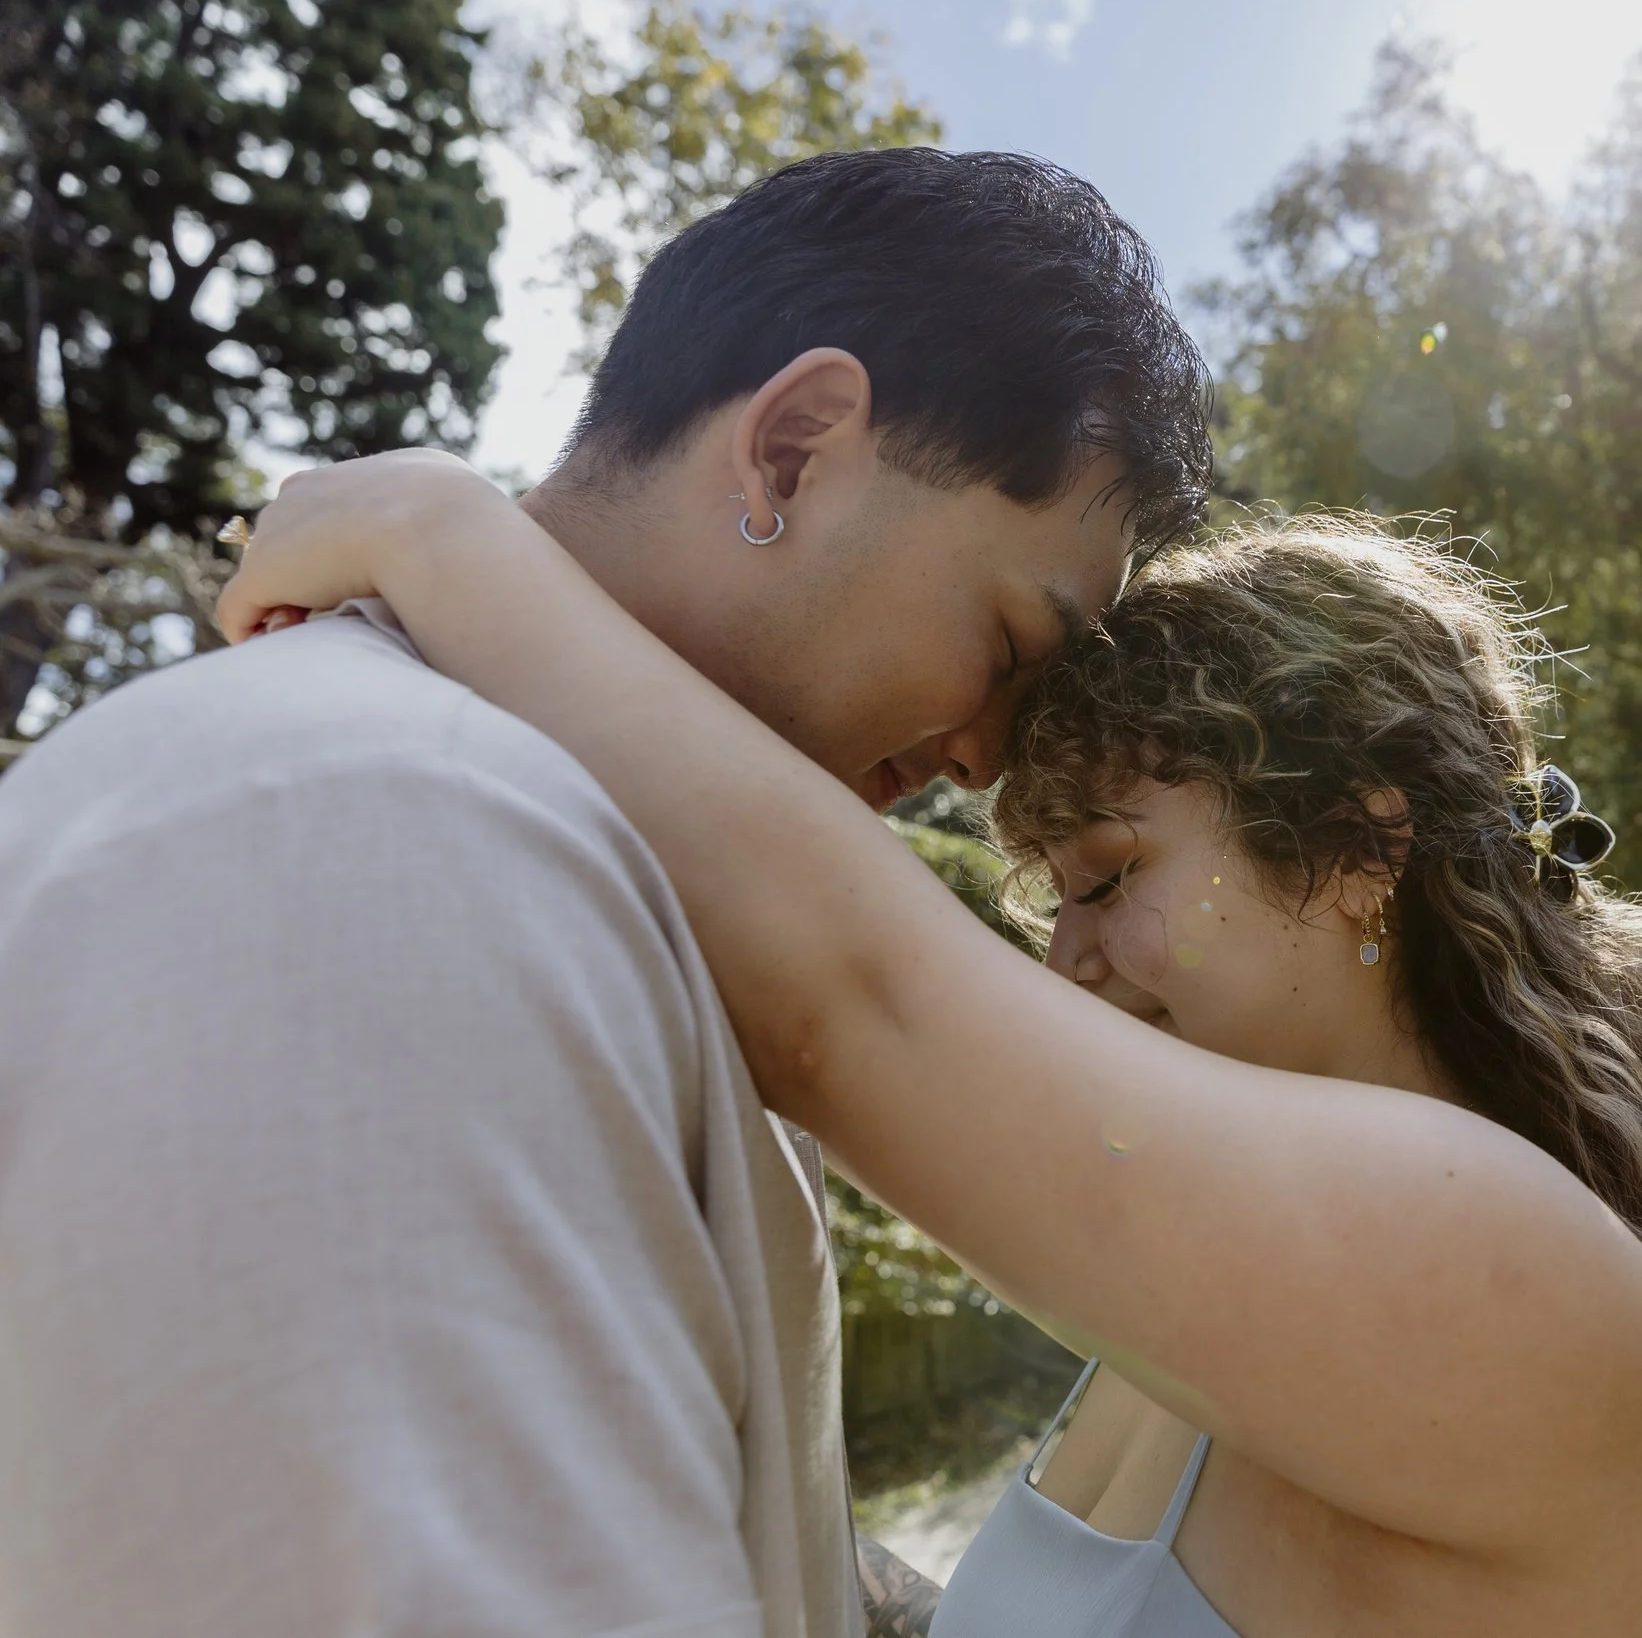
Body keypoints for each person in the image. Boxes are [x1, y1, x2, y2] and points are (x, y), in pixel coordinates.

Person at [218, 461, 1642, 1637]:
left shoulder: (1514, 1267)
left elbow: (847, 998)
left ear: (1359, 844)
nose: (1066, 950)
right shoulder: (1237, 1283)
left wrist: (442, 532)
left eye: (1111, 875)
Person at [0, 148, 1209, 1638]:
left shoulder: (546, 864)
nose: (980, 755)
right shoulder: (405, 854)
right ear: (791, 450)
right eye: (1013, 647)